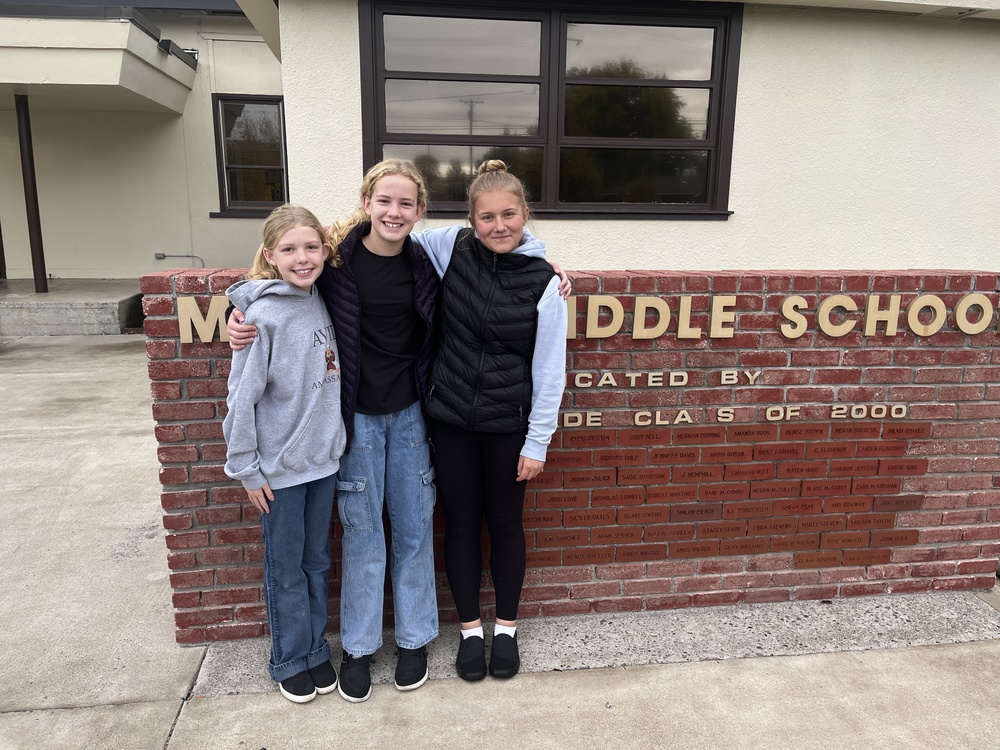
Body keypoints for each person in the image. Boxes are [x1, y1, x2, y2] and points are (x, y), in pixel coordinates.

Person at [228, 159, 441, 703]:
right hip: (355, 422)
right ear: (367, 202)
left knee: (414, 529)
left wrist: (548, 264)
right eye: (384, 201)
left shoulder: (426, 260)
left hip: (413, 416)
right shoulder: (337, 265)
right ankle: (361, 647)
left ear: (419, 211)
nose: (394, 212)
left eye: (406, 203)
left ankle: (414, 639)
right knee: (364, 534)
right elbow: (275, 287)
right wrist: (236, 308)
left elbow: (497, 240)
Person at [411, 160, 568, 681]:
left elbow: (549, 370)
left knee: (504, 526)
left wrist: (537, 443)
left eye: (509, 214)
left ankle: (506, 629)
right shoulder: (449, 249)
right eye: (487, 217)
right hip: (451, 420)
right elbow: (380, 227)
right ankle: (470, 632)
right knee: (457, 525)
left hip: (508, 427)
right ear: (471, 220)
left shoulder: (545, 282)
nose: (498, 226)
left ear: (526, 215)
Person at [222, 204, 346, 704]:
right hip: (279, 472)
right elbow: (241, 396)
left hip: (324, 463)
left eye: (311, 247)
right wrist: (247, 470)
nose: (302, 258)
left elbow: (370, 217)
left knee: (317, 562)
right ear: (270, 255)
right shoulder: (260, 316)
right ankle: (289, 658)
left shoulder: (322, 298)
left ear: (325, 251)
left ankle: (315, 648)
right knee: (286, 568)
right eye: (290, 249)